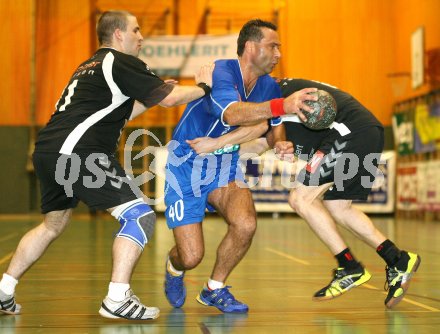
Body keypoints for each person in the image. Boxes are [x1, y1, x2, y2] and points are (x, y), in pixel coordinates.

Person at [0, 10, 215, 320]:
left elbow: (120, 114)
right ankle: (117, 298)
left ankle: (4, 290)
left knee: (53, 225)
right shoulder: (121, 61)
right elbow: (171, 99)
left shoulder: (88, 66)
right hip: (79, 152)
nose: (141, 37)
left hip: (50, 150)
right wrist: (203, 88)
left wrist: (154, 96)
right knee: (140, 216)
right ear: (118, 34)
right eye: (136, 30)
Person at [189, 77, 421, 309]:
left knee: (301, 198)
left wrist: (215, 144)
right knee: (339, 207)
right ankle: (398, 259)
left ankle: (349, 267)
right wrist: (213, 159)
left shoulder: (268, 95)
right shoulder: (269, 100)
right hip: (364, 132)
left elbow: (257, 128)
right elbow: (259, 143)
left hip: (349, 133)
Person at [163, 19, 317, 314]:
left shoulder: (270, 86)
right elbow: (232, 114)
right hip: (186, 163)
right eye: (273, 46)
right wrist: (282, 106)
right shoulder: (222, 71)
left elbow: (274, 126)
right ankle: (174, 266)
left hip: (224, 163)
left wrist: (280, 142)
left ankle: (214, 289)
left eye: (279, 48)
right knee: (191, 255)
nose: (278, 54)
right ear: (250, 47)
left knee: (245, 224)